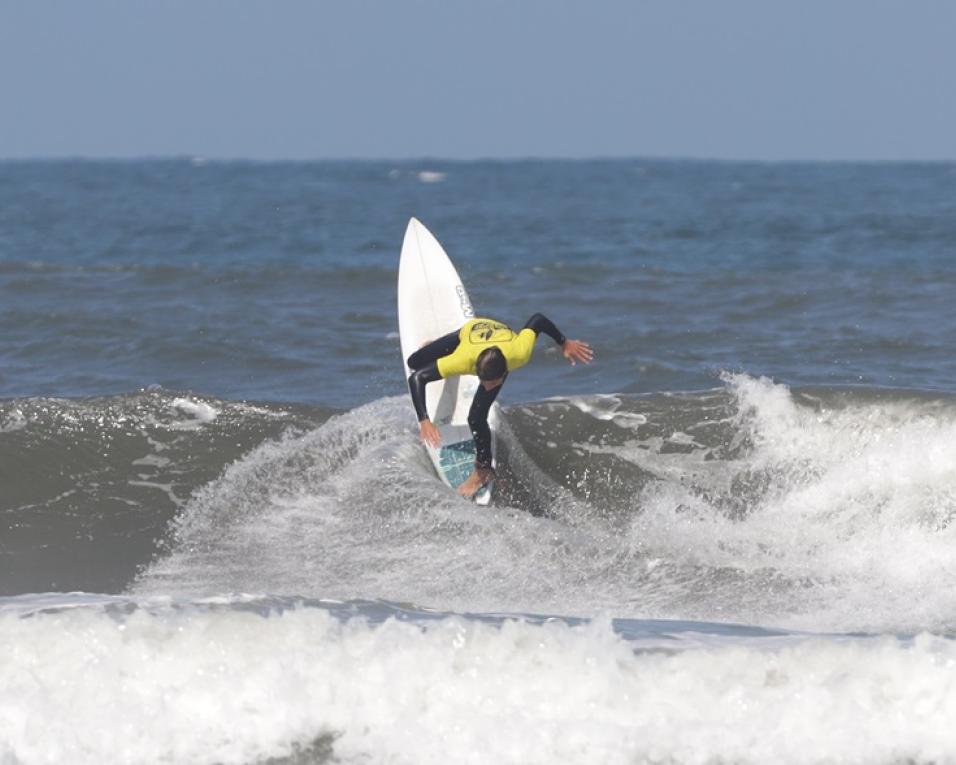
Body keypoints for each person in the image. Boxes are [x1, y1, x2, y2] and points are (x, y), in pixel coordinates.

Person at [406, 313, 593, 498]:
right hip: (473, 331)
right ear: (476, 370)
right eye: (483, 381)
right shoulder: (464, 359)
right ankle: (439, 352)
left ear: (504, 373)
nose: (487, 387)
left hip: (503, 341)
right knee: (414, 362)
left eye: (492, 382)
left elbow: (538, 320)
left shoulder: (519, 352)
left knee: (476, 418)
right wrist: (425, 420)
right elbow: (417, 378)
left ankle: (483, 471)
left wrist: (564, 342)